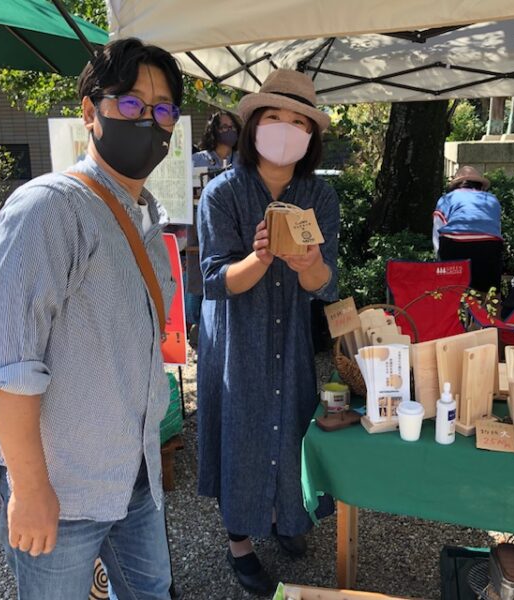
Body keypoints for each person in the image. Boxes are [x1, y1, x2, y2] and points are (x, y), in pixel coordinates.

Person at [0, 38, 183, 600]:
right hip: (62, 490)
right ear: (90, 112)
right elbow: (6, 364)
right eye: (131, 103)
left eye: (163, 108)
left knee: (150, 593)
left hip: (134, 476)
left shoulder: (145, 216)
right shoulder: (48, 208)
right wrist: (30, 488)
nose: (150, 118)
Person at [196, 69, 340, 595]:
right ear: (253, 125)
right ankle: (239, 540)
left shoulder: (318, 195)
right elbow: (214, 279)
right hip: (237, 337)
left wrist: (309, 264)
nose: (285, 129)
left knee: (288, 422)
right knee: (242, 427)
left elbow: (326, 284)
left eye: (298, 121)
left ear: (310, 137)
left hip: (290, 340)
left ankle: (285, 516)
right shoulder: (222, 193)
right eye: (274, 117)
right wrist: (260, 257)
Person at [185, 111, 242, 341]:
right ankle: (195, 323)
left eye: (232, 127)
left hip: (232, 223)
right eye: (223, 127)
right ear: (213, 130)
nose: (228, 131)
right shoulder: (199, 160)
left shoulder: (242, 160)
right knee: (197, 272)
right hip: (200, 222)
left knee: (227, 266)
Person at [433, 165, 503, 292]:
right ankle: (489, 309)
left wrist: (439, 258)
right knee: (488, 293)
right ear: (480, 185)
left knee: (452, 290)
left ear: (455, 186)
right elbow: (496, 229)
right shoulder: (492, 199)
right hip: (489, 247)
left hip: (454, 246)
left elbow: (437, 231)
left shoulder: (447, 199)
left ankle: (452, 308)